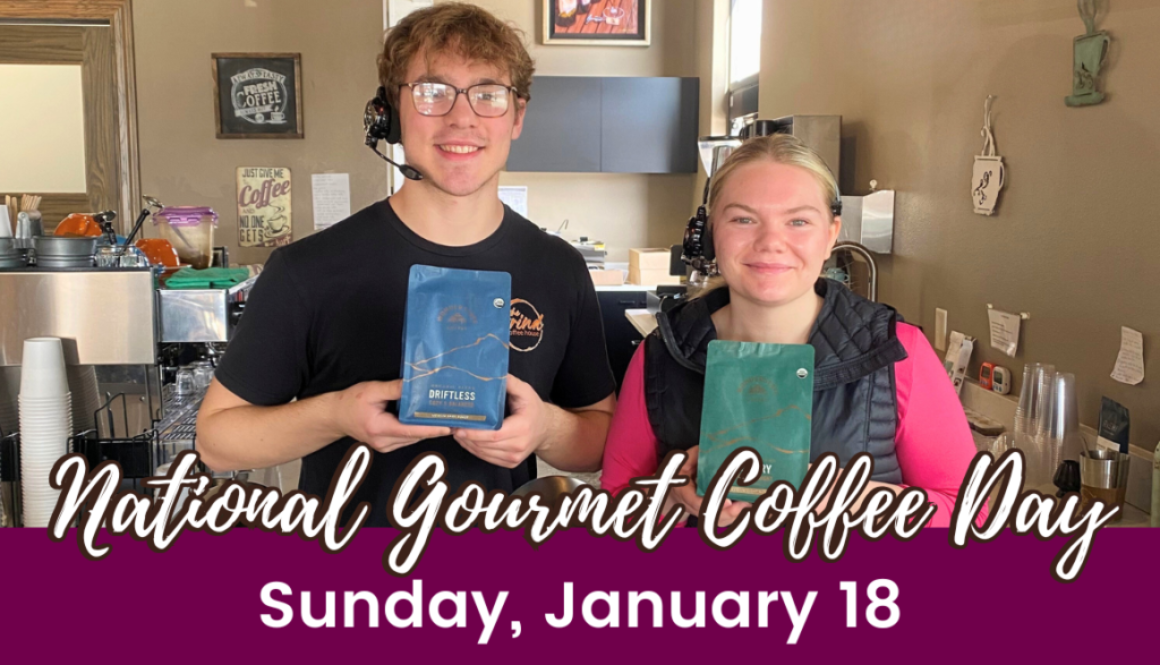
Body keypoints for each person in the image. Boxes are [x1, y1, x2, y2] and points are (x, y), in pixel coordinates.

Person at [197, 3, 617, 525]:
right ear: (390, 113)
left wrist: (546, 429)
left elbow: (600, 439)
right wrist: (336, 414)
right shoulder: (306, 270)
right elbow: (216, 442)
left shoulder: (559, 269)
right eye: (432, 92)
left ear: (517, 116)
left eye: (488, 93)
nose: (462, 118)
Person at [600, 134, 980, 527]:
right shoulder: (662, 354)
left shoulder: (898, 352)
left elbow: (972, 516)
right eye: (743, 219)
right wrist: (669, 494)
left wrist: (854, 498)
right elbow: (612, 516)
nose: (771, 242)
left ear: (830, 235)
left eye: (798, 221)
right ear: (713, 232)